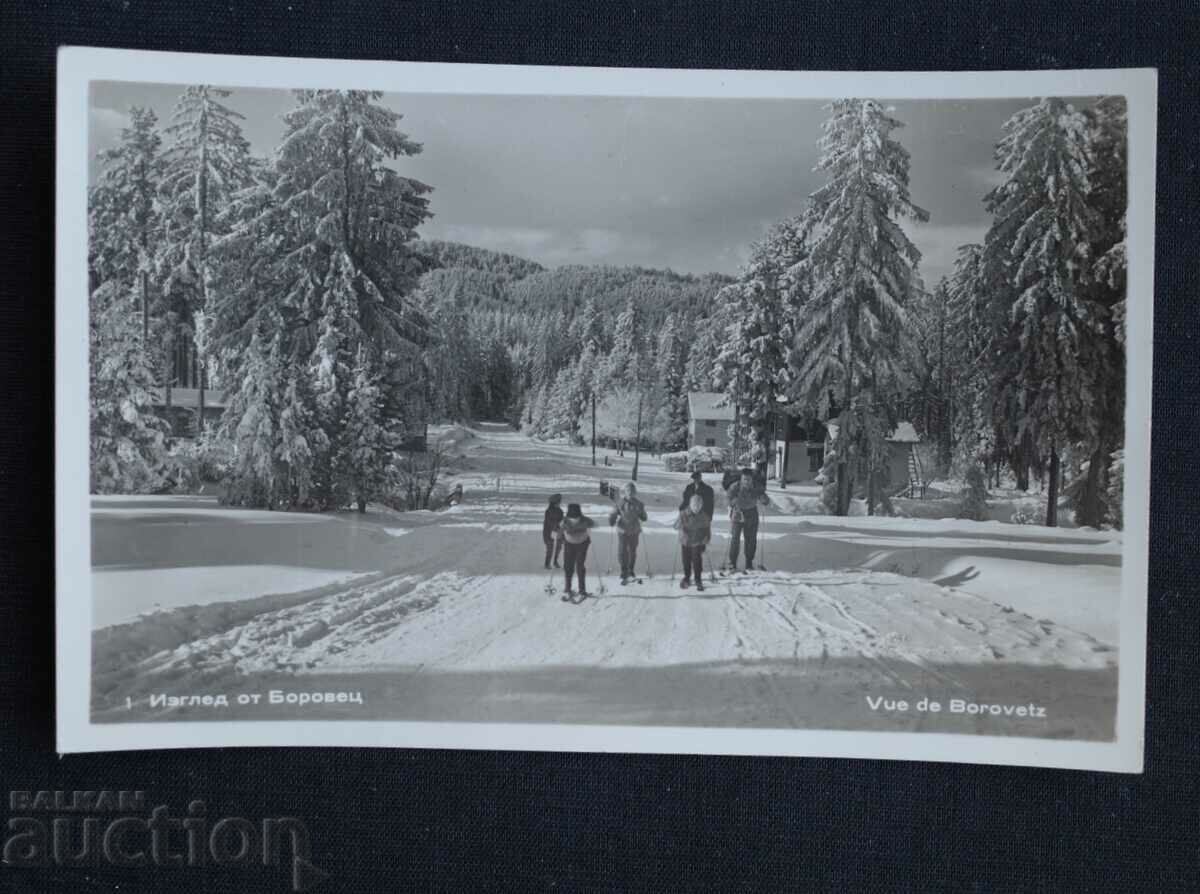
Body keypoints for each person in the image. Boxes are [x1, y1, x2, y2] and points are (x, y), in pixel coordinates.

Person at [725, 467, 769, 572]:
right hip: (737, 513)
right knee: (735, 539)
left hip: (752, 514)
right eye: (744, 479)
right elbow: (728, 498)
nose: (746, 481)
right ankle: (732, 563)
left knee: (751, 540)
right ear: (741, 479)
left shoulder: (756, 487)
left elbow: (765, 498)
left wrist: (764, 499)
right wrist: (732, 501)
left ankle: (749, 562)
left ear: (752, 479)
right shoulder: (735, 487)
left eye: (748, 479)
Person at [608, 482, 648, 584]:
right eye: (628, 491)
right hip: (622, 529)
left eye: (632, 491)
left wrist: (643, 515)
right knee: (622, 551)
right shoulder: (620, 503)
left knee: (632, 550)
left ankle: (631, 570)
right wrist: (612, 518)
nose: (630, 493)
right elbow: (614, 512)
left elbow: (644, 517)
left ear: (635, 493)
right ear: (625, 492)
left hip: (634, 530)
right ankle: (623, 570)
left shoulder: (639, 504)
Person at [559, 503, 596, 599]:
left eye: (576, 518)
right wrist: (558, 535)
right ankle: (568, 588)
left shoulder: (584, 520)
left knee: (579, 566)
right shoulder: (565, 521)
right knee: (568, 566)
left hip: (582, 544)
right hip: (569, 544)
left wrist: (589, 530)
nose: (574, 520)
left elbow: (594, 524)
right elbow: (560, 529)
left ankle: (582, 590)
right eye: (572, 518)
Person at [675, 493, 712, 590]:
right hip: (686, 541)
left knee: (696, 560)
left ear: (701, 505)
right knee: (686, 560)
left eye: (699, 505)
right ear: (691, 504)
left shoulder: (704, 516)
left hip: (697, 541)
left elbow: (707, 529)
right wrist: (679, 524)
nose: (697, 508)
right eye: (695, 505)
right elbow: (675, 526)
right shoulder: (684, 514)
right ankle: (687, 577)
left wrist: (706, 538)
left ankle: (698, 579)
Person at [542, 493, 564, 569]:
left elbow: (562, 521)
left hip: (558, 532)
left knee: (559, 547)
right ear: (554, 503)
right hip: (548, 532)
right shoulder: (548, 511)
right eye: (558, 502)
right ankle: (547, 563)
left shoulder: (560, 511)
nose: (559, 503)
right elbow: (549, 522)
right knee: (550, 547)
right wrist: (555, 528)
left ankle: (555, 561)